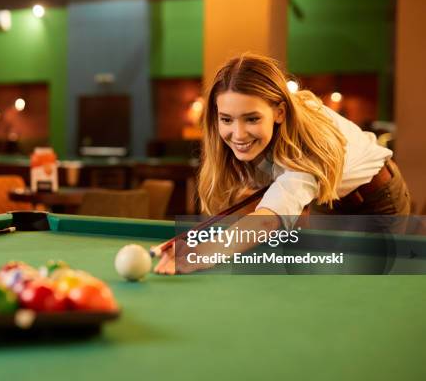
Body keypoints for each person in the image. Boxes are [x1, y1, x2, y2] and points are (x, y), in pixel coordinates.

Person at [153, 53, 411, 275]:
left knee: (355, 291)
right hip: (329, 202)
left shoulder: (305, 147)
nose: (238, 134)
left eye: (252, 119)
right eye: (227, 119)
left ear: (279, 112)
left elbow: (267, 221)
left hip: (376, 203)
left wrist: (203, 253)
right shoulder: (255, 137)